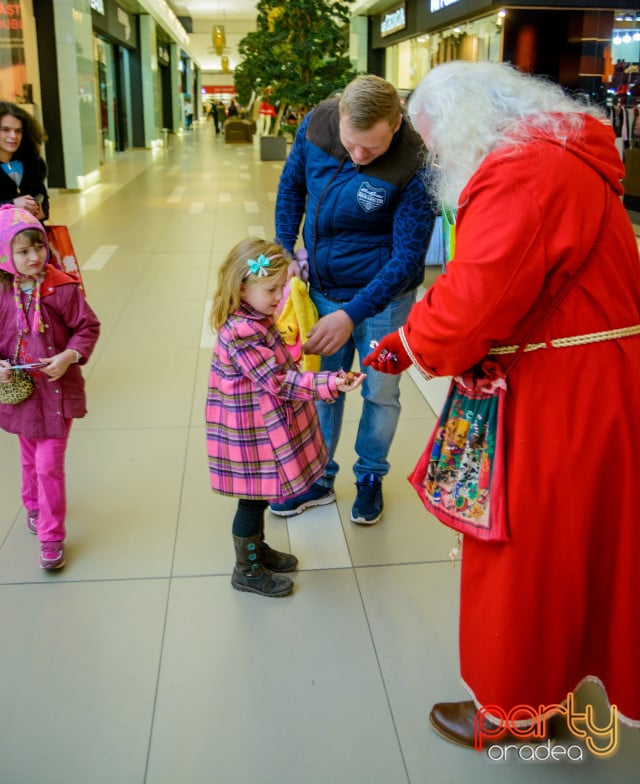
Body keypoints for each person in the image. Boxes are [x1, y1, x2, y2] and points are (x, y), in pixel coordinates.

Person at [364, 61, 640, 746]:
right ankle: (565, 679)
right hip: (597, 378)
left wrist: (406, 341)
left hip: (559, 397)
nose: (433, 159)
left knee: (523, 554)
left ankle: (516, 709)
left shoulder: (519, 172)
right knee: (588, 546)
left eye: (434, 142)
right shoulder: (561, 155)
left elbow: (471, 305)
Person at [270, 74, 434, 525]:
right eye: (352, 144)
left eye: (373, 149)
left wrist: (352, 313)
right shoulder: (317, 125)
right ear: (339, 116)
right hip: (320, 288)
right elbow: (291, 190)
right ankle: (319, 477)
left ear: (396, 123)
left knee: (381, 392)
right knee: (322, 390)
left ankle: (370, 476)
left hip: (385, 303)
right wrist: (285, 252)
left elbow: (406, 259)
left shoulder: (417, 162)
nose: (360, 156)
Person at [206, 237, 363, 598]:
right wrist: (332, 381)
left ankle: (257, 551)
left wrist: (299, 348)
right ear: (242, 287)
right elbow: (278, 380)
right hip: (250, 432)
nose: (281, 297)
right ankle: (245, 569)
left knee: (259, 495)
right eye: (272, 289)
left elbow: (275, 362)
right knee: (251, 499)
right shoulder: (244, 330)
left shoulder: (256, 317)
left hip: (259, 424)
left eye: (283, 287)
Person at [0, 206, 100, 571]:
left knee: (47, 465)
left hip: (57, 392)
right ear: (5, 255)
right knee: (28, 455)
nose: (34, 257)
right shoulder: (1, 290)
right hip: (21, 393)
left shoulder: (61, 287)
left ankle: (51, 535)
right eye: (22, 251)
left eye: (38, 247)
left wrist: (70, 356)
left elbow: (88, 327)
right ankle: (33, 505)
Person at [0, 102, 49, 221]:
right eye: (5, 130)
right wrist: (12, 205)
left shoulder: (32, 163)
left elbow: (43, 196)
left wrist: (43, 212)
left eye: (18, 131)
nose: (13, 136)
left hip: (31, 235)